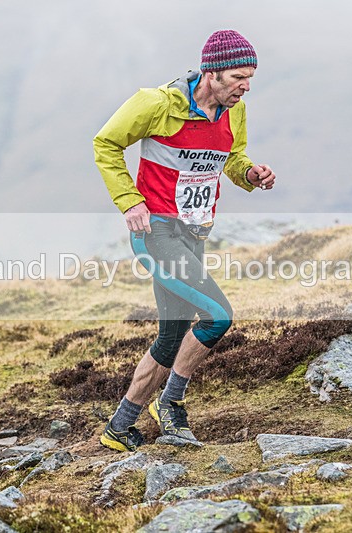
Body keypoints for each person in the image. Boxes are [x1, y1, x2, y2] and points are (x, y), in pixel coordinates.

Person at [93, 29, 276, 452]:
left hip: (196, 231)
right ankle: (170, 403)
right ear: (211, 73)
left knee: (172, 336)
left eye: (250, 78)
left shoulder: (235, 111)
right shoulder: (157, 103)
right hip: (156, 231)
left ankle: (119, 428)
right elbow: (106, 143)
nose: (245, 87)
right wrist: (129, 201)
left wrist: (249, 174)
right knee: (217, 316)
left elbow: (232, 158)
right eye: (237, 77)